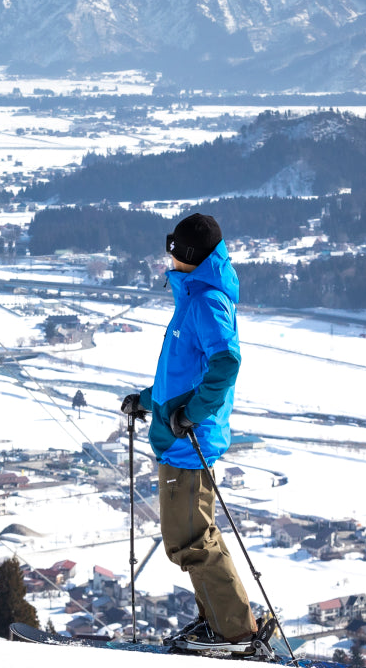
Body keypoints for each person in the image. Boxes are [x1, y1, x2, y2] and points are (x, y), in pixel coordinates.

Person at [121, 212, 259, 653]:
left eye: (174, 251)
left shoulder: (205, 302)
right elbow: (181, 375)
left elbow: (225, 363)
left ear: (190, 256)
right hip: (178, 439)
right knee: (193, 540)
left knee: (190, 543)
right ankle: (217, 624)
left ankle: (234, 633)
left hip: (187, 446)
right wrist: (147, 401)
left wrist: (192, 414)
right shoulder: (193, 297)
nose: (169, 258)